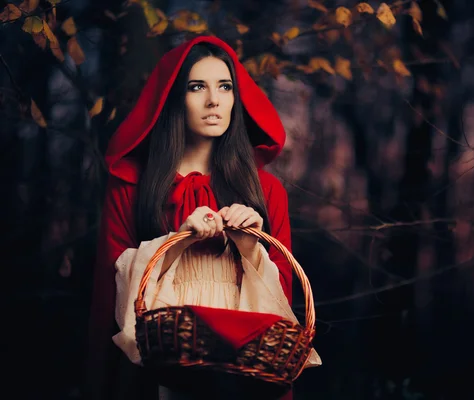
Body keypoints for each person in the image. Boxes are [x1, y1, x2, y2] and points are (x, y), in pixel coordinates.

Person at [84, 35, 316, 400]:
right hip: (154, 379)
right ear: (173, 98)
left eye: (225, 87)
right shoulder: (129, 190)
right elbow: (109, 298)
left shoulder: (267, 192)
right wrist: (176, 242)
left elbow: (281, 306)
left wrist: (249, 248)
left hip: (244, 378)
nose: (214, 101)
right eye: (197, 87)